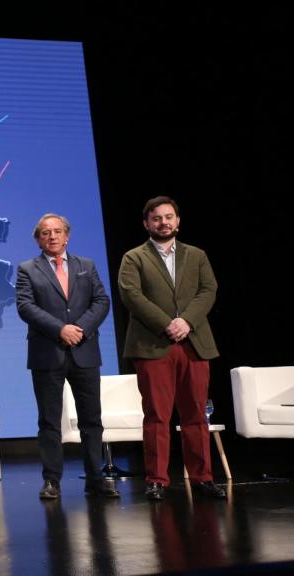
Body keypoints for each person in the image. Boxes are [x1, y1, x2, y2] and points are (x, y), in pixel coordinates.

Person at [118, 196, 226, 500]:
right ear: (146, 223)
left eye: (169, 217)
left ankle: (203, 478)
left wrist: (187, 321)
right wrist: (168, 323)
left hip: (193, 342)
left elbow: (209, 290)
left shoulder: (197, 255)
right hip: (153, 344)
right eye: (157, 218)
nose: (163, 222)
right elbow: (131, 295)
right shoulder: (134, 257)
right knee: (157, 416)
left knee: (195, 415)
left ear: (178, 221)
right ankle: (157, 480)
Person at [15, 213, 118, 499]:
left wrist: (80, 329)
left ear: (67, 236)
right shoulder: (27, 269)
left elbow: (101, 301)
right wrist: (61, 329)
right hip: (47, 353)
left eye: (57, 231)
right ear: (38, 239)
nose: (52, 236)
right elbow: (25, 307)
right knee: (49, 421)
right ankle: (52, 481)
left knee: (91, 420)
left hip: (84, 352)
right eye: (45, 232)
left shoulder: (87, 265)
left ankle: (96, 478)